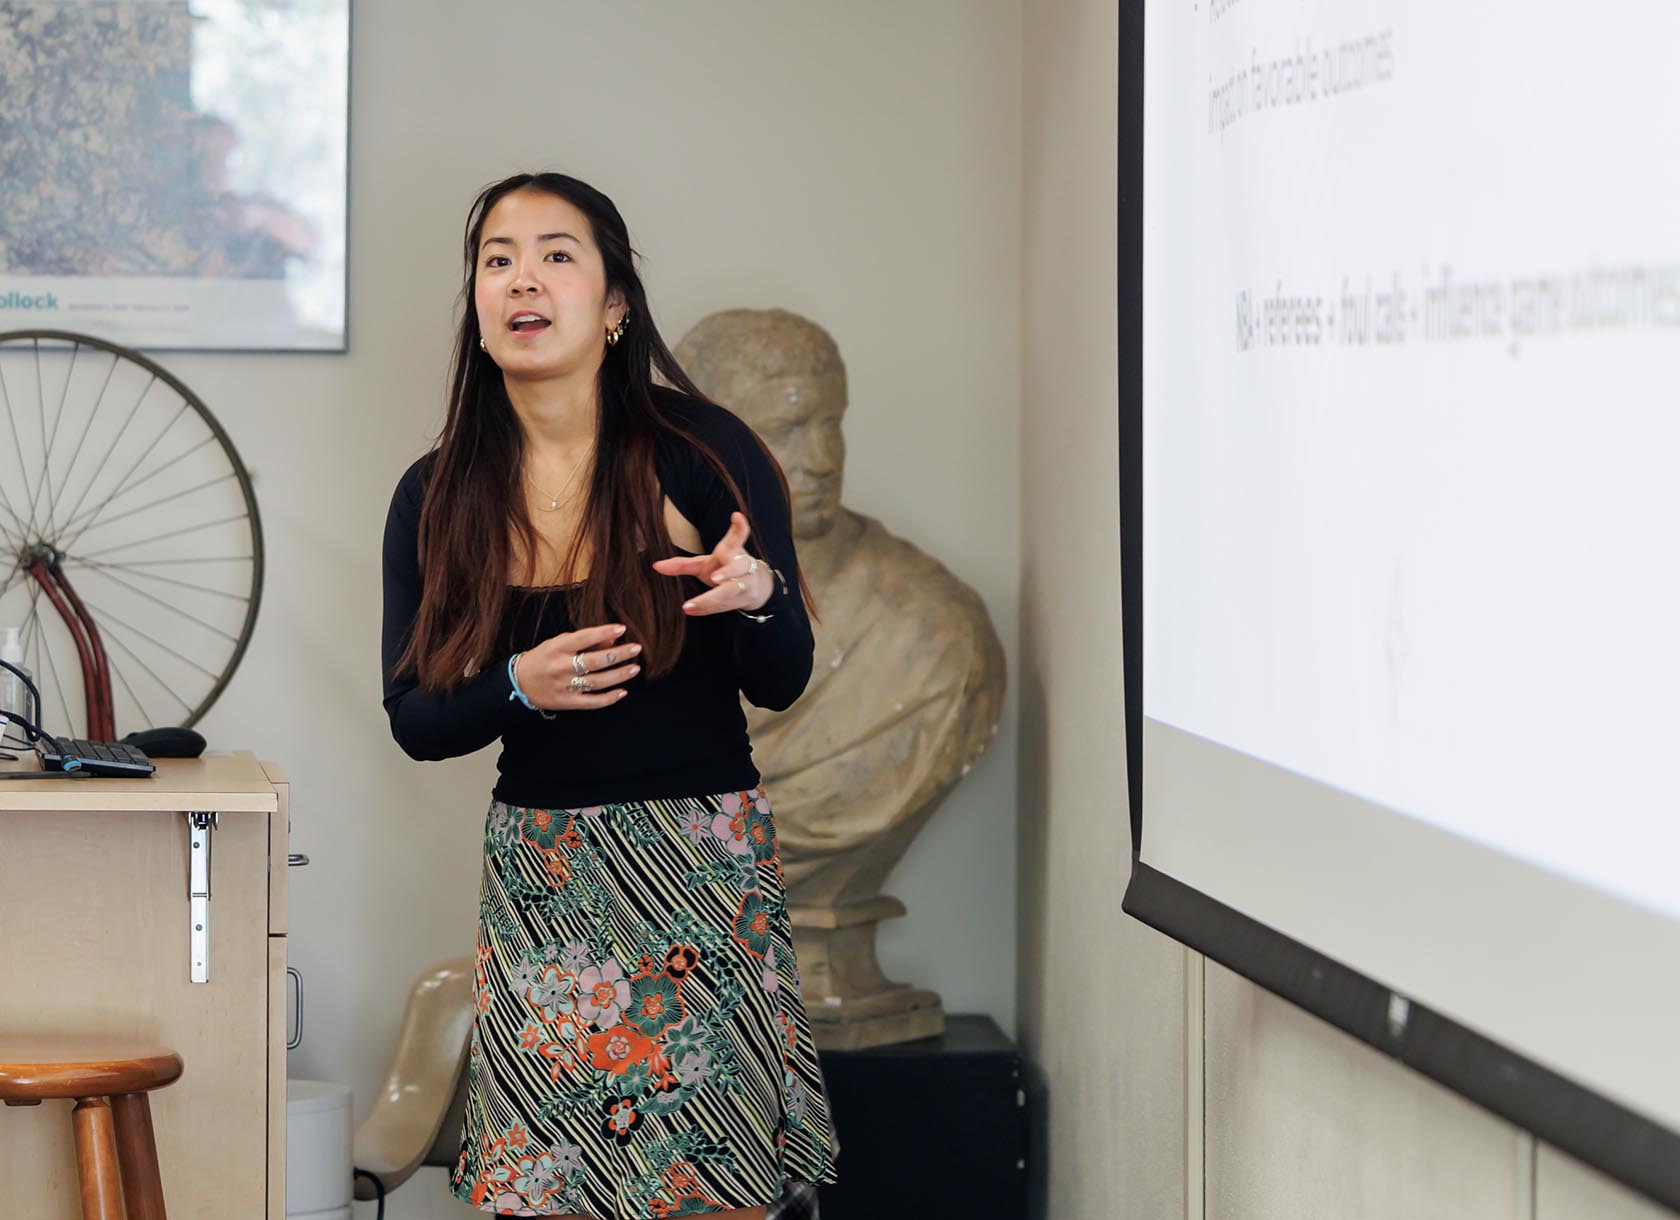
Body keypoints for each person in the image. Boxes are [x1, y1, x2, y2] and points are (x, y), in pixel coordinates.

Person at [381, 172, 837, 1220]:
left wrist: (757, 594)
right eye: (497, 259)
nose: (522, 278)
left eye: (556, 254)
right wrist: (514, 685)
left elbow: (783, 676)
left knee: (709, 1187)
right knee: (548, 1195)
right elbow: (413, 716)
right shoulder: (437, 493)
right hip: (543, 880)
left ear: (616, 304)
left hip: (699, 869)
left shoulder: (704, 454)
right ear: (480, 310)